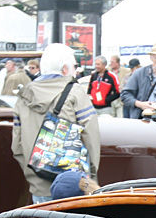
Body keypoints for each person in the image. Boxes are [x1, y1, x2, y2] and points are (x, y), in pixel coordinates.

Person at [12, 43, 100, 204]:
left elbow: (16, 146)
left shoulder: (24, 96)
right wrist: (90, 178)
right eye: (74, 65)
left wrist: (33, 175)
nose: (76, 69)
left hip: (38, 184)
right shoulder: (75, 92)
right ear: (65, 69)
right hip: (73, 185)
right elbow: (91, 137)